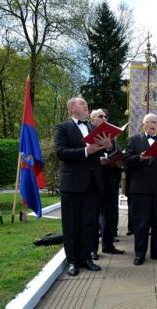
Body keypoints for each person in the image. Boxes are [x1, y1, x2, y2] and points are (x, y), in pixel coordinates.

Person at [54, 97, 112, 276]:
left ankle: (86, 258)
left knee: (89, 223)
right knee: (71, 224)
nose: (86, 105)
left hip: (92, 184)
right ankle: (72, 261)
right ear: (72, 109)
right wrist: (87, 151)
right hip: (72, 184)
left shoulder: (93, 128)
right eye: (82, 103)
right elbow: (61, 153)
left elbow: (102, 150)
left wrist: (108, 147)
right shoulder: (62, 128)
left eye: (87, 104)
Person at [123, 113, 157, 265]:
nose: (153, 124)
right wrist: (140, 158)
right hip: (140, 189)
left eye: (155, 122)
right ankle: (140, 254)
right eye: (150, 122)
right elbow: (126, 161)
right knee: (141, 223)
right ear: (143, 124)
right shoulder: (134, 140)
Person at [89, 109, 124, 259]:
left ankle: (108, 245)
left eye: (105, 116)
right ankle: (92, 250)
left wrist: (110, 148)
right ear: (92, 120)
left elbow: (119, 155)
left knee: (109, 215)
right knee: (93, 216)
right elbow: (84, 157)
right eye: (100, 116)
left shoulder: (111, 138)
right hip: (93, 182)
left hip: (110, 182)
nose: (104, 118)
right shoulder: (87, 135)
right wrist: (98, 161)